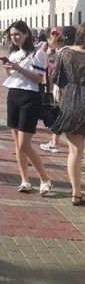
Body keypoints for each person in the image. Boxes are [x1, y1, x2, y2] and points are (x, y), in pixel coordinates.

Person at [2, 20, 52, 195]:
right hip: (13, 94)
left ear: (26, 34)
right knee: (17, 143)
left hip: (30, 97)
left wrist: (18, 68)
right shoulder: (14, 53)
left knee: (24, 144)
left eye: (17, 34)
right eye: (12, 34)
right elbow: (12, 75)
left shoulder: (38, 54)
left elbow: (38, 79)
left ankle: (44, 178)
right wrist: (9, 68)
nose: (14, 37)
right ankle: (25, 180)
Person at [49, 23, 85, 205]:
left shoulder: (65, 52)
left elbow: (55, 78)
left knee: (75, 151)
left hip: (71, 102)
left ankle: (76, 193)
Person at [40, 26, 76, 154]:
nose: (49, 41)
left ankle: (56, 143)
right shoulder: (68, 51)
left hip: (65, 89)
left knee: (61, 114)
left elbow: (58, 75)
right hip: (70, 89)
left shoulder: (63, 52)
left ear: (57, 38)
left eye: (50, 38)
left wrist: (58, 88)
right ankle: (55, 142)